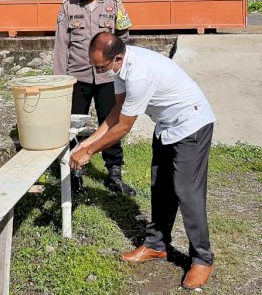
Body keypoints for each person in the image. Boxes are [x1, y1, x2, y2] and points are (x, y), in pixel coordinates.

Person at [70, 32, 216, 290]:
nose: (100, 72)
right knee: (160, 185)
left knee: (187, 191)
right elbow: (117, 112)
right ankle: (156, 245)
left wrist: (90, 152)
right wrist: (88, 141)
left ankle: (202, 259)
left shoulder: (139, 73)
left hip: (191, 125)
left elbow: (124, 127)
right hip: (167, 126)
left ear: (117, 57)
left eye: (101, 67)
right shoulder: (120, 69)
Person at [53, 0, 136, 196]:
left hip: (108, 78)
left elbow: (124, 37)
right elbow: (61, 46)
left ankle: (114, 175)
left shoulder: (114, 6)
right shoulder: (68, 7)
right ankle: (73, 174)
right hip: (77, 77)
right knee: (72, 128)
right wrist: (60, 81)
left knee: (110, 125)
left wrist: (121, 69)